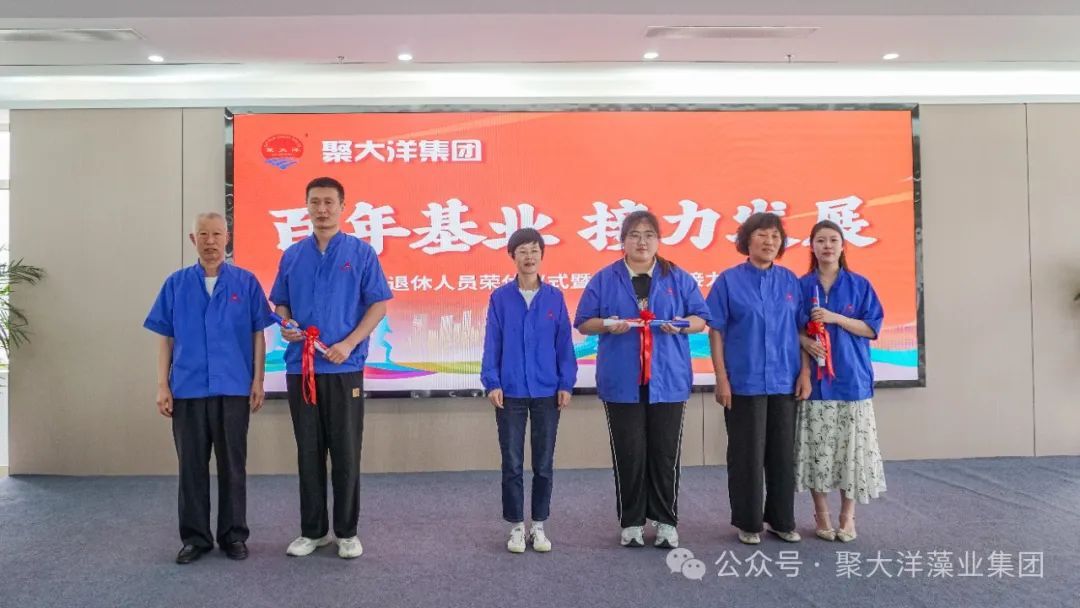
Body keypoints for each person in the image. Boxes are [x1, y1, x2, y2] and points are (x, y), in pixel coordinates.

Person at [270, 176, 392, 559]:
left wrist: (349, 343)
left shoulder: (361, 253)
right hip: (301, 370)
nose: (321, 209)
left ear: (342, 206)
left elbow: (378, 306)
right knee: (308, 452)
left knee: (345, 453)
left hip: (344, 370)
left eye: (328, 202)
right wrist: (286, 324)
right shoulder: (292, 255)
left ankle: (347, 532)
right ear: (306, 206)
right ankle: (313, 531)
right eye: (315, 202)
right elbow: (281, 303)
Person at [144, 211, 274, 564]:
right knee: (191, 467)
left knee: (233, 466)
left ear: (227, 238)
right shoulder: (175, 284)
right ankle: (195, 538)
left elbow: (258, 334)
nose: (210, 241)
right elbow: (165, 338)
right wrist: (162, 385)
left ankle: (233, 535)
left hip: (233, 389)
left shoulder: (246, 283)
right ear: (193, 240)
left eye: (217, 234)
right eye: (203, 234)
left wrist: (258, 380)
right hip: (187, 390)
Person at [574, 210, 709, 549]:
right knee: (629, 452)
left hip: (668, 378)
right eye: (634, 234)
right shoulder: (605, 278)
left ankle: (666, 521)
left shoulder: (677, 276)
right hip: (622, 380)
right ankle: (632, 521)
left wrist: (680, 324)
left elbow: (700, 319)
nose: (642, 241)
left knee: (665, 453)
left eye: (649, 234)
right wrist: (608, 324)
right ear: (623, 240)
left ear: (658, 240)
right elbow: (584, 321)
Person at [707, 212, 811, 545]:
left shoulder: (790, 281)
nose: (769, 241)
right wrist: (721, 377)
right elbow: (716, 331)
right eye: (762, 235)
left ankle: (782, 521)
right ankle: (748, 522)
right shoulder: (728, 281)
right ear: (747, 240)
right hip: (744, 381)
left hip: (784, 379)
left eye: (775, 236)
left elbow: (802, 330)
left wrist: (805, 372)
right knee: (746, 455)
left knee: (782, 456)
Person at [481, 228, 577, 553]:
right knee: (511, 463)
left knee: (544, 463)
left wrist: (566, 383)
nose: (529, 256)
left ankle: (538, 525)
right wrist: (492, 381)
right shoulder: (500, 298)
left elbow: (564, 344)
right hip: (510, 392)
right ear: (513, 256)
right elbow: (492, 343)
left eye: (534, 250)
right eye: (522, 251)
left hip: (547, 391)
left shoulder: (554, 298)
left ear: (542, 255)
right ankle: (516, 527)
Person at [795, 219, 887, 543]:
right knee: (818, 450)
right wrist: (805, 342)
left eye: (833, 240)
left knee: (851, 450)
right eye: (821, 240)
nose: (827, 246)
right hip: (816, 383)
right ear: (812, 246)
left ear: (843, 245)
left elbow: (871, 328)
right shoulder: (802, 286)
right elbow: (791, 329)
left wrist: (836, 318)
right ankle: (821, 513)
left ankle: (848, 516)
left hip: (852, 379)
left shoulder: (860, 284)